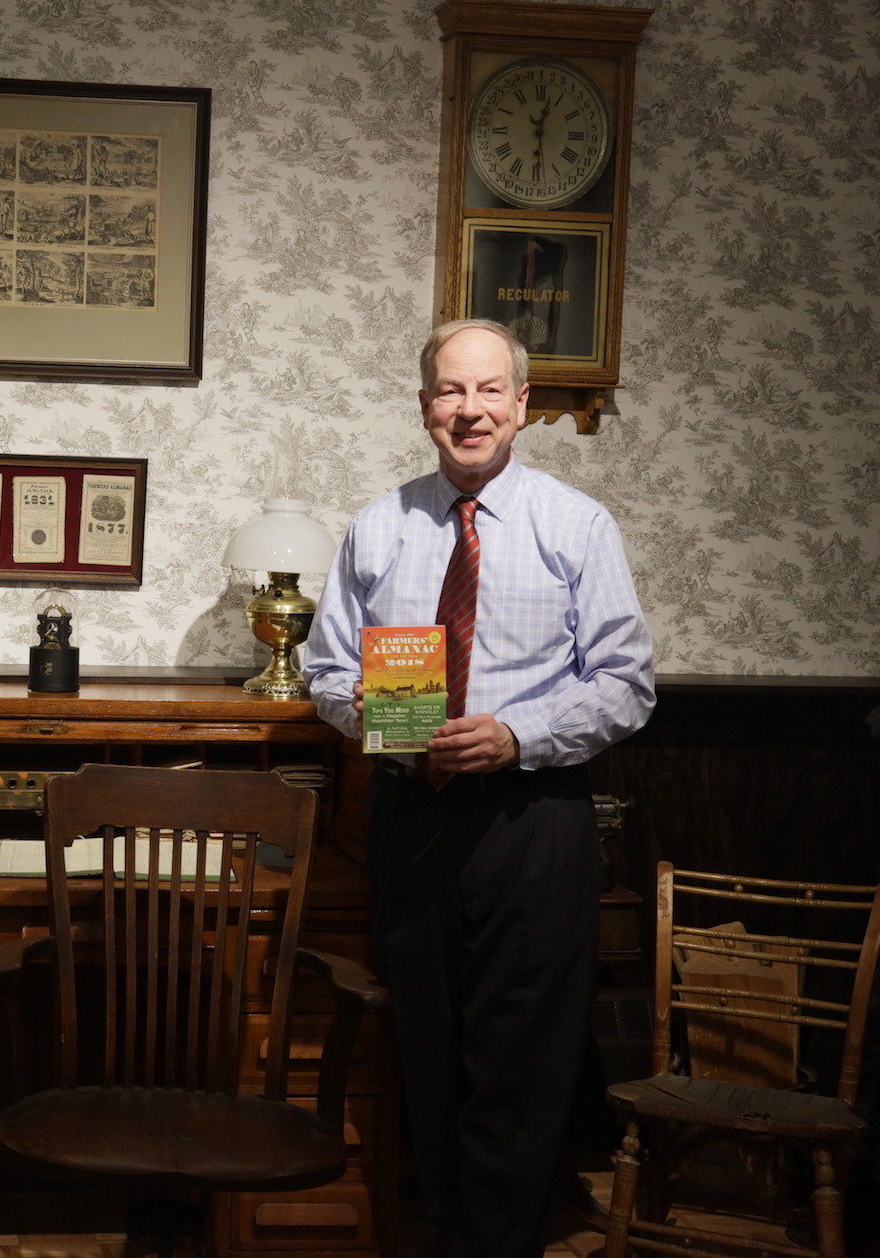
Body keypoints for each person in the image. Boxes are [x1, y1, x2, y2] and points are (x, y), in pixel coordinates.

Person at [302, 318, 655, 1257]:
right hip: (412, 816)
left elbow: (626, 684)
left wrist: (515, 735)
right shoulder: (378, 526)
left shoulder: (577, 525)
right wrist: (374, 717)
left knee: (521, 1063)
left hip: (534, 820)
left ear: (522, 404)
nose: (471, 410)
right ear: (426, 407)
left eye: (490, 390)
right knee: (429, 1049)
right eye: (452, 392)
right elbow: (326, 672)